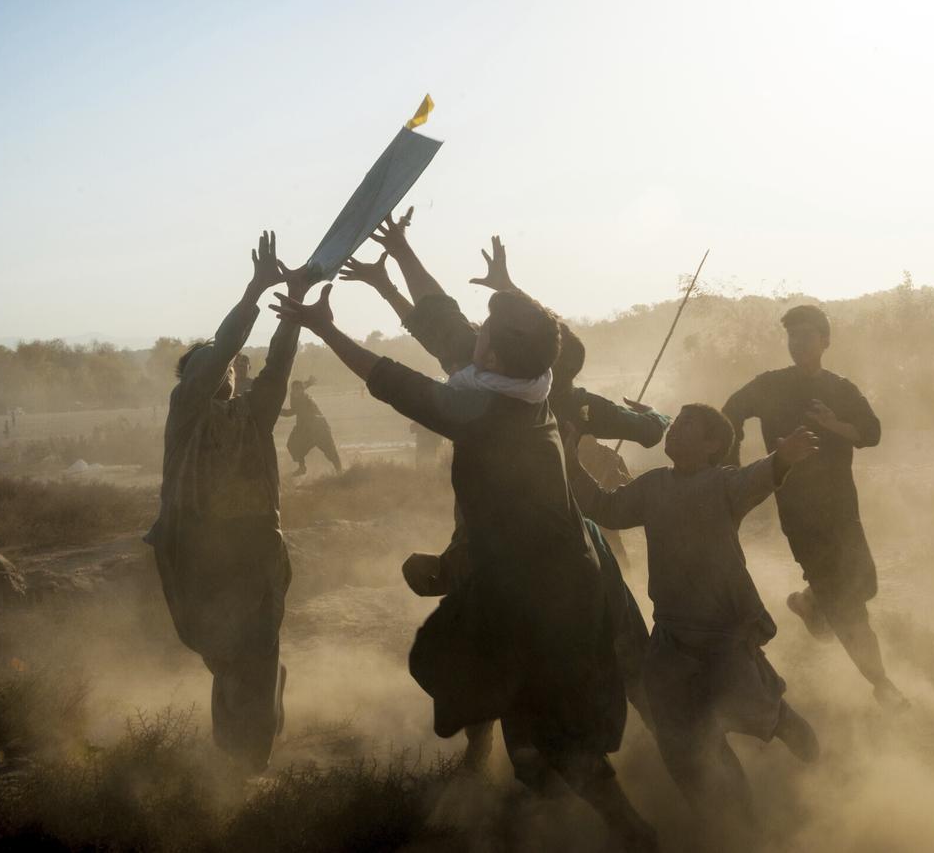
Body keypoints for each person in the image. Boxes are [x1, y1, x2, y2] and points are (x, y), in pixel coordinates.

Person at [272, 282, 657, 850]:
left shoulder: (482, 410)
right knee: (523, 706)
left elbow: (393, 383)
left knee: (532, 718)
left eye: (484, 337)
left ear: (495, 357)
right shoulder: (536, 385)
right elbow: (453, 335)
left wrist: (326, 328)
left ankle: (620, 829)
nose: (473, 340)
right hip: (555, 578)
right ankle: (567, 807)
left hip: (538, 591)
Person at [567, 404, 821, 825]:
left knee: (763, 715)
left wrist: (784, 457)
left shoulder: (722, 484)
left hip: (725, 638)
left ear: (712, 445)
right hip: (670, 638)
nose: (677, 428)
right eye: (678, 419)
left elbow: (759, 475)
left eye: (689, 423)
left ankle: (808, 755)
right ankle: (737, 826)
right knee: (683, 740)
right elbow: (605, 508)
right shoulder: (652, 486)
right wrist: (573, 460)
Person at [146, 231, 308, 773]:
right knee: (222, 656)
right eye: (211, 367)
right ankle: (246, 736)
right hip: (196, 551)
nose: (223, 372)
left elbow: (278, 370)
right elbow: (223, 353)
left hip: (253, 548)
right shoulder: (186, 412)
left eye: (228, 369)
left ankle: (244, 772)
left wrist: (293, 311)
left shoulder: (253, 413)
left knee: (251, 661)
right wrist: (256, 289)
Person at [723, 304, 908, 712]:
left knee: (862, 588)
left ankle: (810, 603)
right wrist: (732, 467)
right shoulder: (770, 385)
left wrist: (834, 425)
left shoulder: (842, 390)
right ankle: (882, 684)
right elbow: (731, 411)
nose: (797, 344)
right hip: (800, 509)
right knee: (847, 602)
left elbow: (872, 433)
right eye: (792, 337)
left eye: (806, 336)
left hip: (843, 506)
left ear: (825, 341)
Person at [280, 377, 342, 475]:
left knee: (331, 452)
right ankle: (302, 468)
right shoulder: (294, 395)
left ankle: (340, 471)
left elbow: (292, 412)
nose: (296, 391)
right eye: (294, 389)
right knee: (292, 444)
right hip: (306, 429)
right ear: (292, 390)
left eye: (298, 389)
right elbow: (302, 387)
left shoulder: (306, 400)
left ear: (302, 390)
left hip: (319, 428)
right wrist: (309, 383)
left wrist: (279, 411)